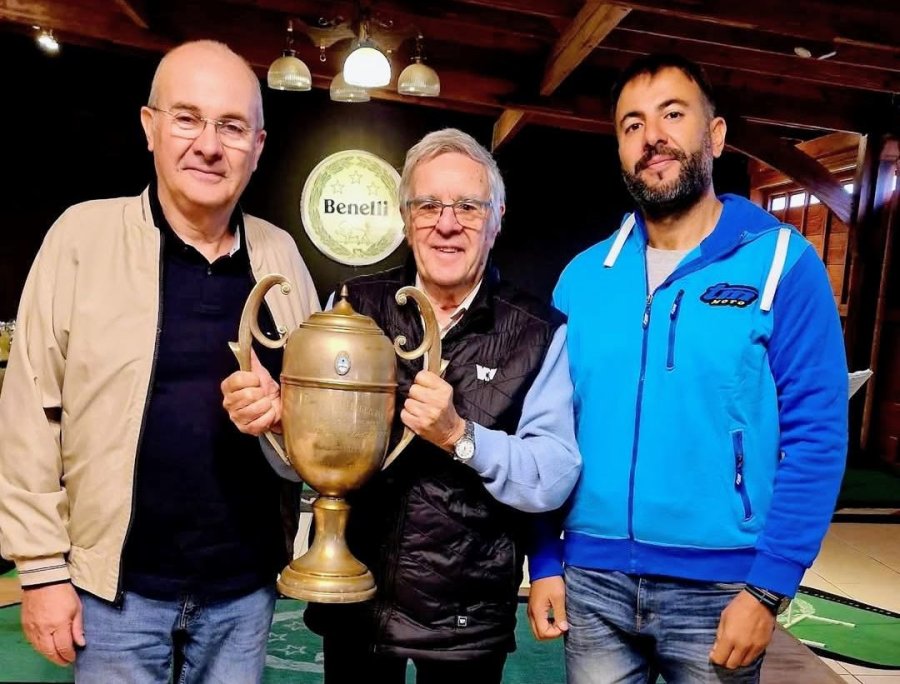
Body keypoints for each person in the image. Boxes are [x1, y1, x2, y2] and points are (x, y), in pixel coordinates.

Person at [0, 40, 319, 683]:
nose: (208, 144)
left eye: (231, 127)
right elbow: (30, 413)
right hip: (113, 594)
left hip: (244, 592)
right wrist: (39, 569)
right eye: (187, 118)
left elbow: (313, 420)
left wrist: (286, 416)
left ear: (257, 146)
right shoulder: (80, 238)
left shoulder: (281, 254)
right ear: (149, 127)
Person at [527, 53, 848, 683]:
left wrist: (768, 590)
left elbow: (817, 435)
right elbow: (547, 428)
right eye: (632, 124)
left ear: (716, 134)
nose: (653, 137)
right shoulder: (583, 279)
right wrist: (543, 560)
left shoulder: (784, 263)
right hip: (593, 583)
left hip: (722, 588)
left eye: (673, 115)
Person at [222, 127, 582, 684]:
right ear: (404, 215)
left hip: (466, 622)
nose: (446, 223)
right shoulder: (353, 305)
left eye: (467, 205)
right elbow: (307, 458)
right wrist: (275, 424)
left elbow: (553, 474)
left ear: (498, 216)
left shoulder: (536, 331)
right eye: (428, 204)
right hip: (353, 598)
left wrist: (461, 435)